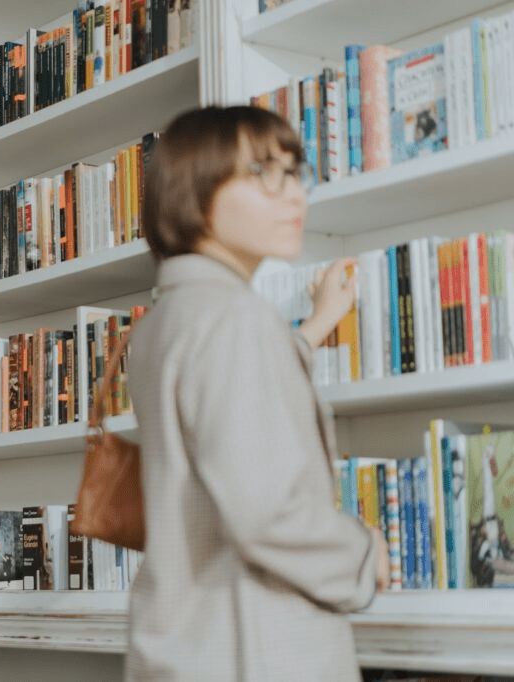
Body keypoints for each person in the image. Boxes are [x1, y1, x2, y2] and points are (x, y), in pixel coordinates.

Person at [125, 105, 390, 681]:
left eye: (295, 173)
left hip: (188, 645)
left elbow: (230, 401)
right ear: (195, 192)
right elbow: (265, 513)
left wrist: (316, 326)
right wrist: (362, 555)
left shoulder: (165, 323)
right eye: (265, 174)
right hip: (256, 651)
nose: (293, 195)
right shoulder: (235, 321)